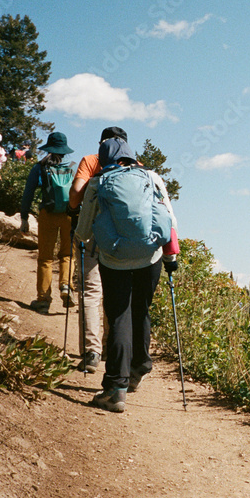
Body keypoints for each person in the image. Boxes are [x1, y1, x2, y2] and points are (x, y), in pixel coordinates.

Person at [75, 137, 178, 413]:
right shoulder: (151, 177)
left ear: (104, 158)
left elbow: (84, 232)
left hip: (115, 259)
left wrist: (82, 236)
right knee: (141, 310)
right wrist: (170, 257)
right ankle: (140, 365)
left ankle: (116, 389)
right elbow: (169, 219)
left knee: (119, 315)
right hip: (150, 258)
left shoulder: (98, 183)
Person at [66, 126, 128, 372]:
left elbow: (74, 197)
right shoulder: (137, 167)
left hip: (92, 234)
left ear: (101, 143)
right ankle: (111, 346)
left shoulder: (91, 161)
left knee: (91, 291)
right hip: (123, 239)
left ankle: (92, 351)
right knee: (117, 292)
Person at [19, 132, 76, 314]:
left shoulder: (40, 167)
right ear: (65, 150)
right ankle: (66, 286)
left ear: (49, 148)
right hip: (69, 215)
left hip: (47, 213)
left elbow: (28, 193)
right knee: (67, 255)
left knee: (45, 258)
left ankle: (43, 299)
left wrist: (24, 217)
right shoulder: (74, 167)